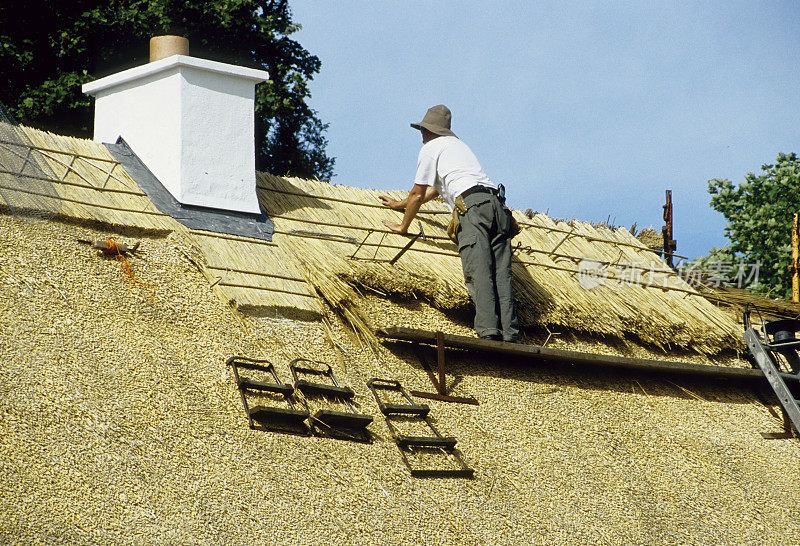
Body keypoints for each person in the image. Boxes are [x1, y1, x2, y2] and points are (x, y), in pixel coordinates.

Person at [380, 104, 519, 342]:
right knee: (501, 275)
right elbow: (436, 190)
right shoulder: (458, 146)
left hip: (473, 209)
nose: (422, 135)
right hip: (497, 207)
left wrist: (403, 226)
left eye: (424, 130)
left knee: (479, 270)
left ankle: (488, 332)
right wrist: (399, 204)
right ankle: (510, 334)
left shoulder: (430, 148)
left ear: (430, 131)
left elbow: (417, 192)